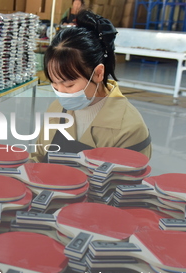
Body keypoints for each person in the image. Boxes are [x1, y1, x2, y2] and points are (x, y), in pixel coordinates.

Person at [32, 10, 152, 162]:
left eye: (69, 85)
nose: (60, 92)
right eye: (54, 84)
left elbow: (124, 182)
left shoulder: (129, 129)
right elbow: (39, 157)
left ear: (98, 73)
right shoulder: (56, 110)